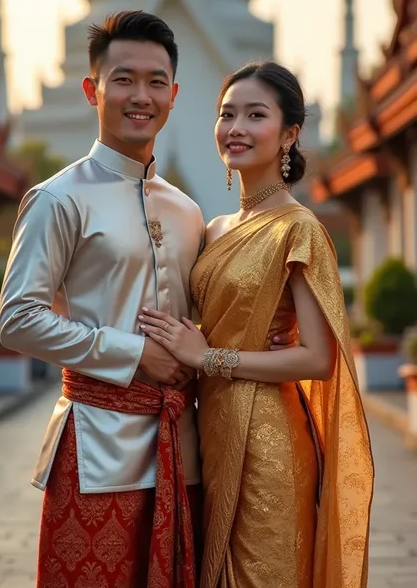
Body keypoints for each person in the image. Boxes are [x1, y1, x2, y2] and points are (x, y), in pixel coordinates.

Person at [0, 13, 294, 588]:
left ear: (175, 95)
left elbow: (205, 315)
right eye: (124, 79)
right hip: (95, 451)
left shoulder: (186, 211)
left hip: (182, 449)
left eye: (157, 81)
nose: (142, 96)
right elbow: (17, 318)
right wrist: (133, 355)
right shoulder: (58, 198)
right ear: (92, 89)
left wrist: (262, 333)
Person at [137, 61, 374, 588]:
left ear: (289, 134)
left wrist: (210, 358)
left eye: (255, 115)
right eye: (227, 114)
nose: (236, 127)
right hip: (211, 428)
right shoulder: (216, 227)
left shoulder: (299, 229)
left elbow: (318, 357)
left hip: (269, 440)